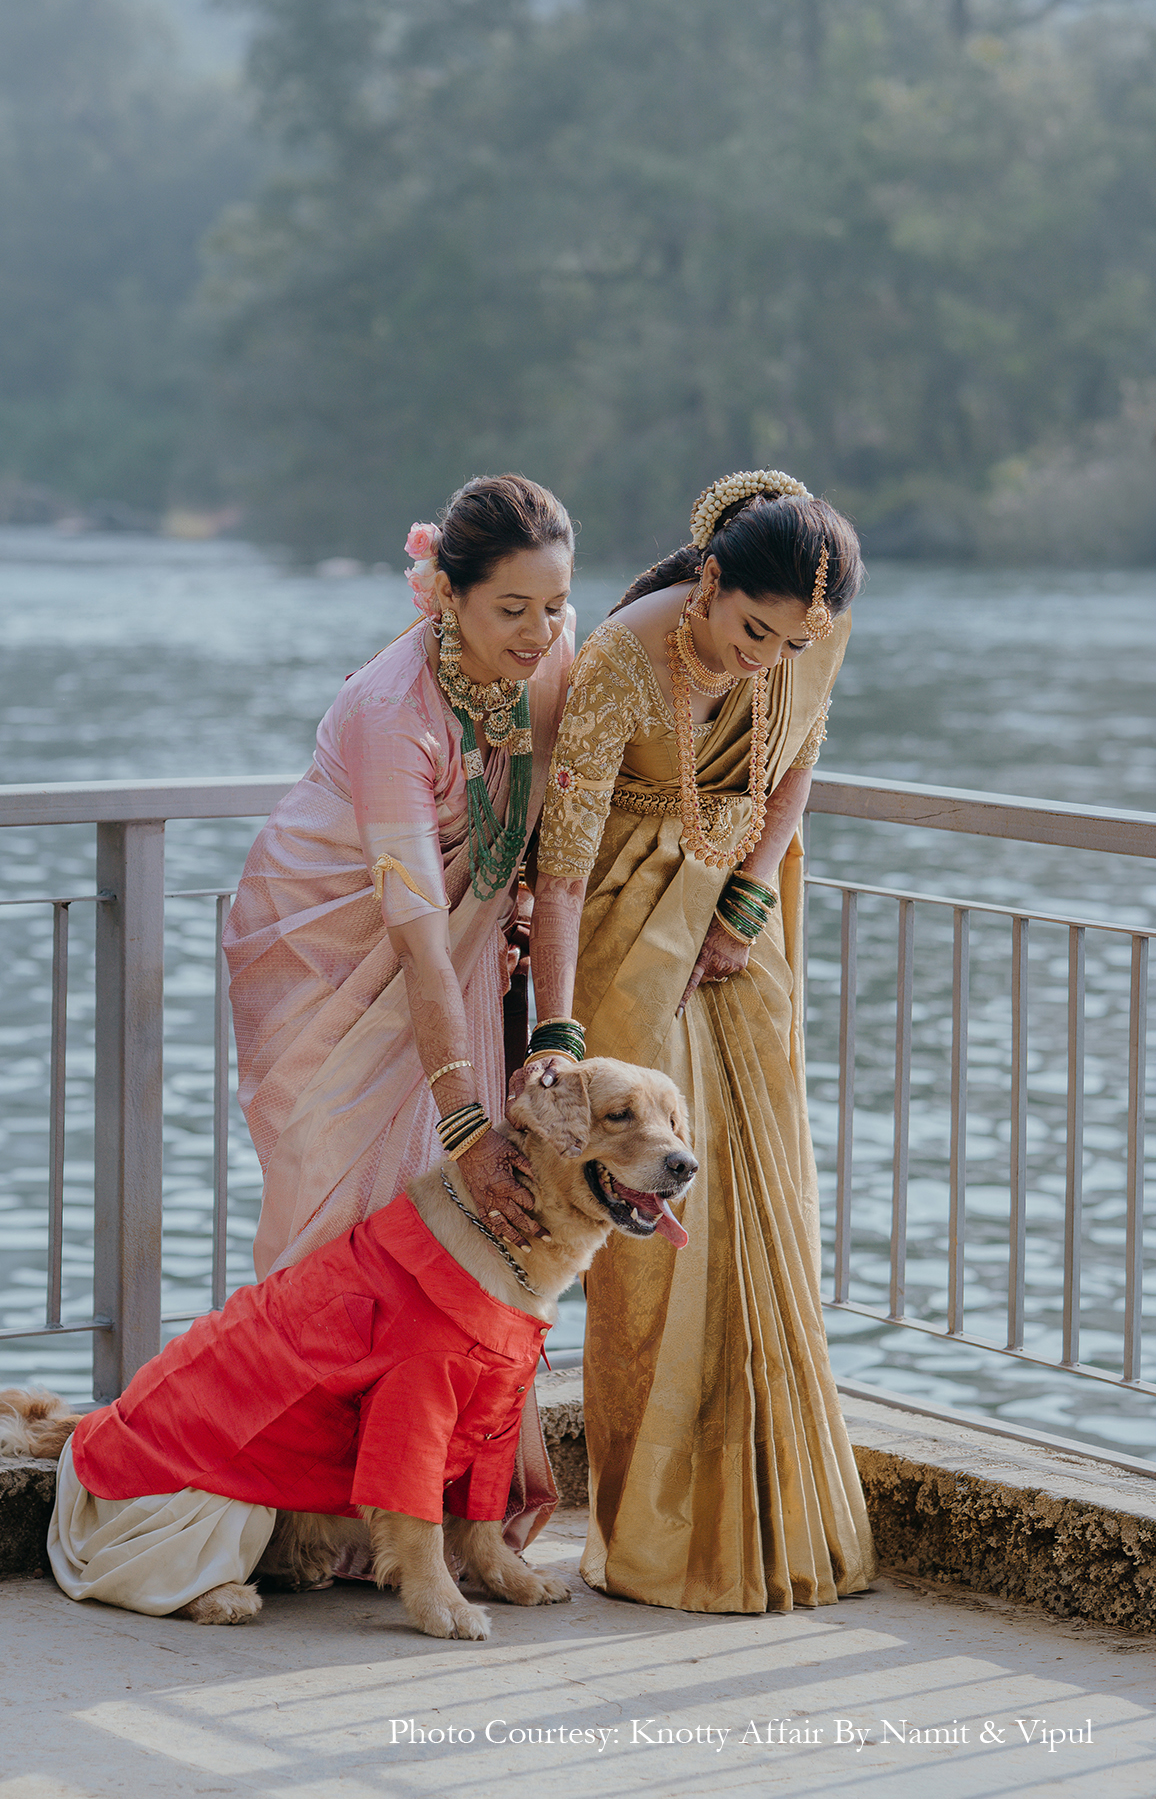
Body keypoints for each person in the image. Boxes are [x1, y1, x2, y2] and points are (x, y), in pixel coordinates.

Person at [527, 469, 877, 1612]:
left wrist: (744, 899)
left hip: (742, 933)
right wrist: (562, 1036)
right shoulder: (623, 662)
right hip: (627, 942)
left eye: (788, 644)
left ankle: (769, 1527)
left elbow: (798, 763)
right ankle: (657, 1537)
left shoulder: (802, 640)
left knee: (763, 1214)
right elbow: (563, 868)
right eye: (748, 631)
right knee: (647, 1256)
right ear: (710, 582)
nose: (762, 660)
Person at [224, 473, 575, 1550]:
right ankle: (292, 1517)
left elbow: (553, 848)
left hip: (457, 958)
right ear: (444, 596)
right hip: (325, 955)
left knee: (446, 1234)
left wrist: (547, 1025)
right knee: (335, 1222)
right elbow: (416, 934)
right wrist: (469, 1122)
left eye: (555, 606)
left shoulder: (549, 665)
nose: (537, 633)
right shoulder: (390, 712)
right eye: (510, 609)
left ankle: (419, 1508)